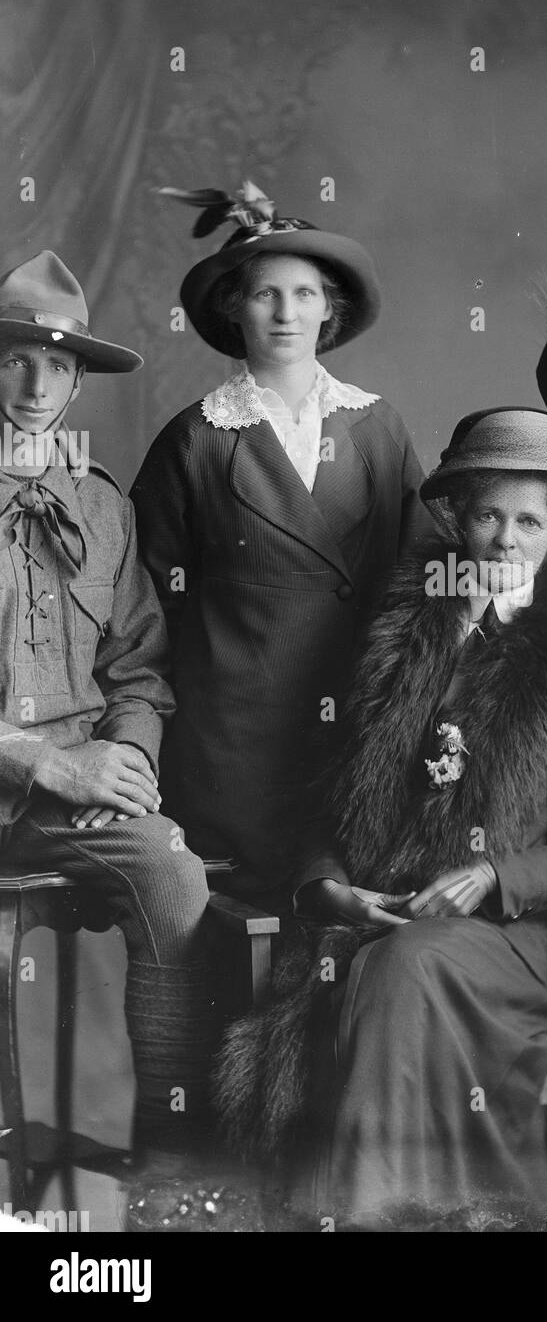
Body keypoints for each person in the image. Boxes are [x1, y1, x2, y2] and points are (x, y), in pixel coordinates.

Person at [216, 274, 547, 1230]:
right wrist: (327, 886)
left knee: (399, 968)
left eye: (529, 520)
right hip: (387, 911)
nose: (504, 539)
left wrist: (490, 876)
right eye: (487, 515)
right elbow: (331, 803)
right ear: (456, 517)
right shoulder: (403, 631)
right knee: (377, 959)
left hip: (509, 940)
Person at [130, 183, 432, 907]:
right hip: (235, 742)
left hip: (354, 727)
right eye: (266, 293)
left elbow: (423, 576)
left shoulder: (377, 428)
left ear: (331, 307)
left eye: (304, 293)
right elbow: (143, 606)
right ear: (234, 307)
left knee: (349, 920)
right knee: (245, 937)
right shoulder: (197, 438)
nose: (287, 312)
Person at [0, 251, 216, 1213]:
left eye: (57, 366)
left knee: (173, 874)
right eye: (14, 358)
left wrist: (123, 761)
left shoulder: (103, 507)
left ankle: (170, 1174)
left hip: (79, 797)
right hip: (25, 781)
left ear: (80, 379)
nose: (36, 384)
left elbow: (137, 665)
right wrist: (51, 762)